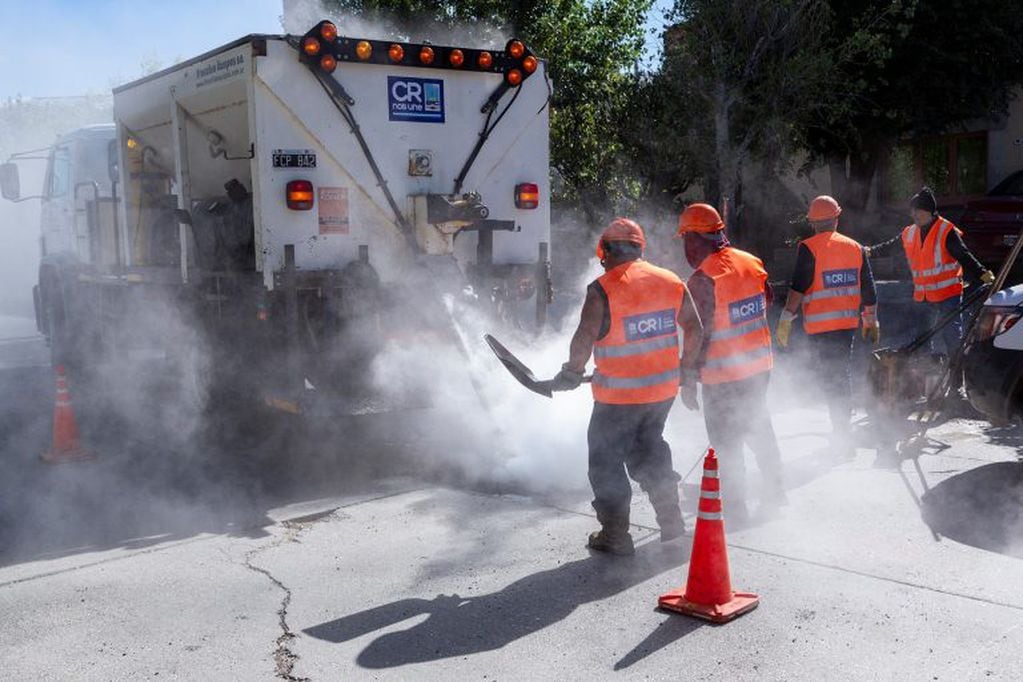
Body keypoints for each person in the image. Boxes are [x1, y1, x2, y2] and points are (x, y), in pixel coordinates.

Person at [553, 218, 704, 556]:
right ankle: (672, 522)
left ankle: (616, 535)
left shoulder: (602, 289)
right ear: (639, 248)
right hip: (662, 393)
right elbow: (695, 328)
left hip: (617, 399)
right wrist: (685, 369)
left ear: (606, 252)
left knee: (606, 462)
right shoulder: (671, 281)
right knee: (650, 451)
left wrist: (572, 371)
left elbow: (584, 338)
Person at [676, 203, 786, 522]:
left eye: (686, 239)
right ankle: (775, 490)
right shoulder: (751, 262)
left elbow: (698, 334)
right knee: (758, 425)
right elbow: (766, 300)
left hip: (722, 374)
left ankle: (736, 506)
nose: (685, 247)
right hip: (759, 366)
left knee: (726, 441)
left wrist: (687, 378)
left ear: (696, 239)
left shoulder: (702, 279)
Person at [776, 196, 879, 456]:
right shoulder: (856, 247)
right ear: (836, 219)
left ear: (813, 223)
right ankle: (842, 431)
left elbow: (798, 287)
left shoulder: (808, 248)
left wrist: (786, 319)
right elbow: (869, 289)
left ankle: (843, 436)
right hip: (846, 325)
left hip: (820, 328)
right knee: (837, 374)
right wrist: (870, 319)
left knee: (833, 378)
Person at [865, 187, 994, 393]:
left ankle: (955, 385)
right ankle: (928, 383)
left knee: (952, 340)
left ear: (931, 211)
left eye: (918, 210)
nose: (914, 214)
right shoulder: (910, 232)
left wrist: (983, 273)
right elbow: (891, 246)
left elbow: (964, 255)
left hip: (948, 296)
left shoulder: (945, 231)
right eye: (912, 211)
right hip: (924, 298)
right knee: (922, 340)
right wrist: (870, 252)